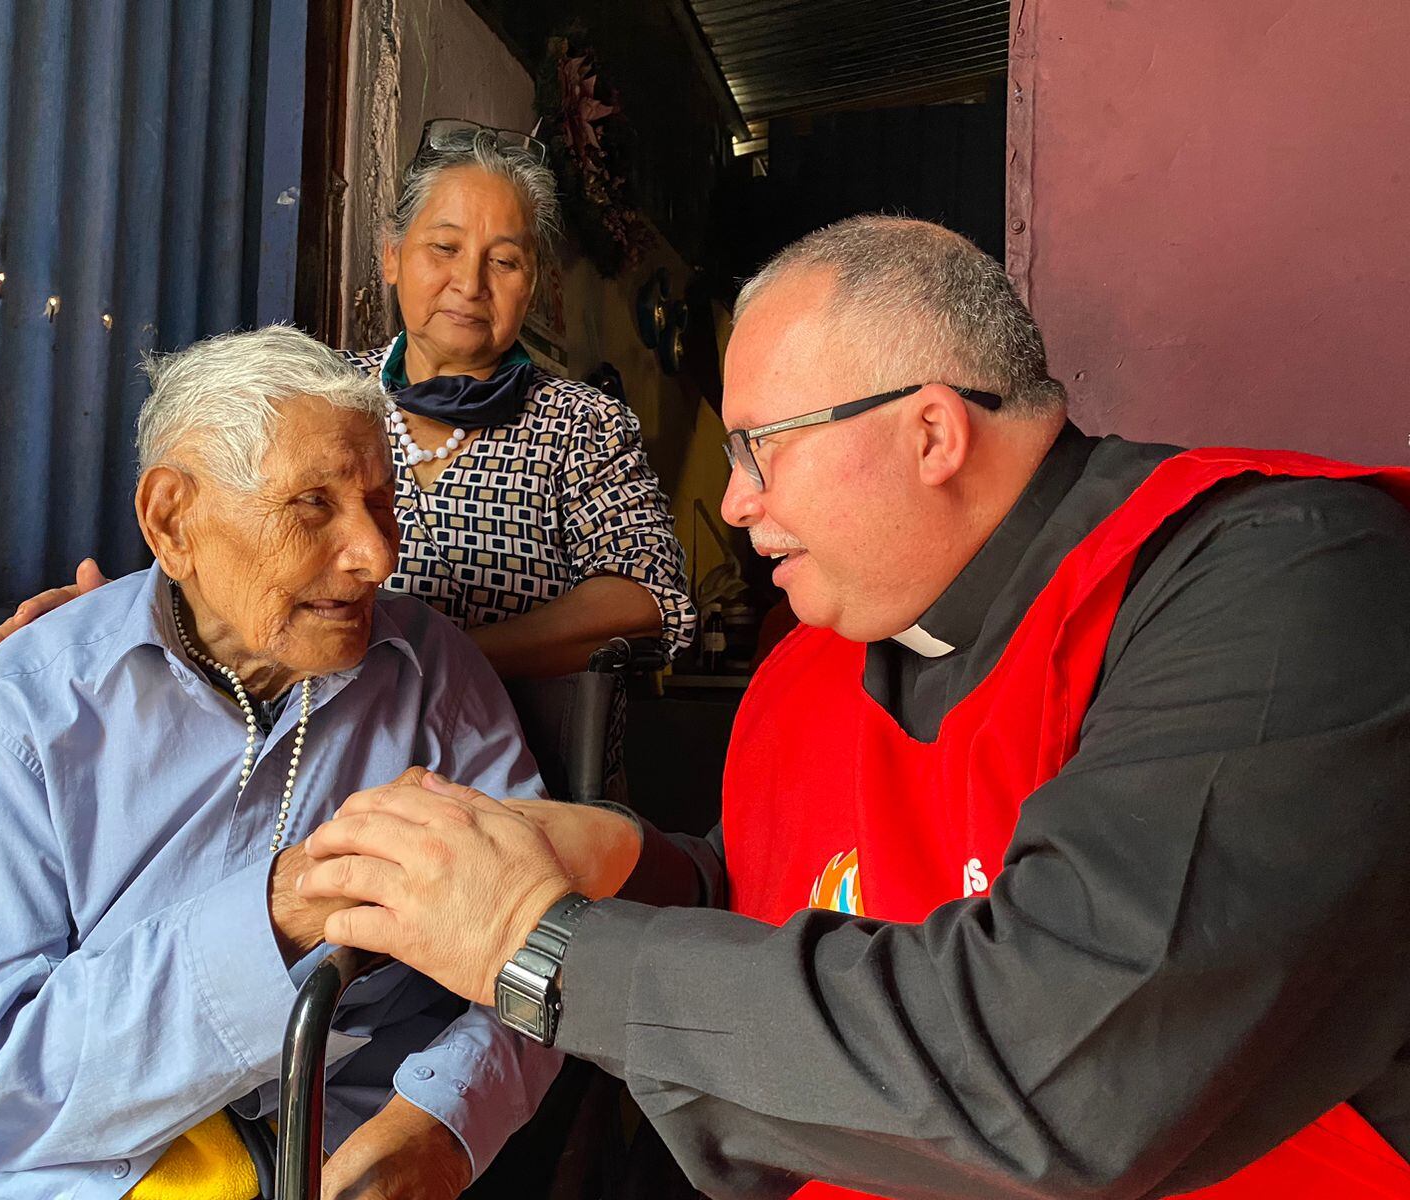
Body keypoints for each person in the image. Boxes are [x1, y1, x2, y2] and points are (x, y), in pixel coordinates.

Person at [293, 216, 1410, 1199]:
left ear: (930, 432)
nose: (734, 504)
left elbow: (1067, 1069)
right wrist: (632, 866)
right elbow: (799, 894)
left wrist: (534, 949)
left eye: (757, 450)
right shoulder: (814, 661)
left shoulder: (1283, 579)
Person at [0, 327, 558, 1200]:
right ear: (173, 520)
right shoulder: (26, 707)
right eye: (313, 505)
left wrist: (443, 1122)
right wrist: (278, 912)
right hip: (70, 1174)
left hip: (340, 1147)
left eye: (381, 502)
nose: (377, 555)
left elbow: (546, 948)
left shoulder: (434, 673)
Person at [0, 117, 697, 795]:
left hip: (516, 772)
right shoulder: (325, 403)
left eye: (504, 261)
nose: (470, 284)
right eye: (443, 249)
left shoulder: (581, 422)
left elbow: (649, 601)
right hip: (316, 767)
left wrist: (437, 660)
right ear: (391, 256)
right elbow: (227, 543)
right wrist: (112, 628)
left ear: (532, 284)